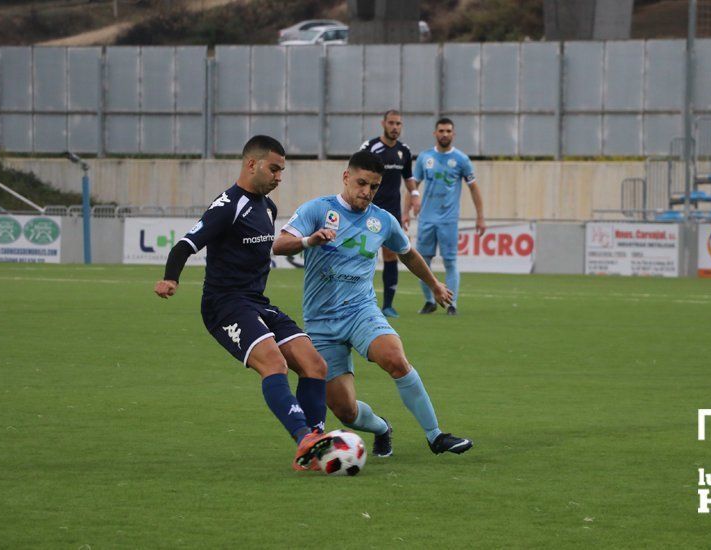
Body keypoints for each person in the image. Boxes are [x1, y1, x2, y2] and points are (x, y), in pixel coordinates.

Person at [273, 150, 473, 458]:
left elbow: (407, 253)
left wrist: (434, 285)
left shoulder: (382, 220)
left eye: (374, 187)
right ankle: (382, 428)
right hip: (321, 322)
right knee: (345, 411)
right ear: (346, 177)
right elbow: (279, 243)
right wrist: (308, 241)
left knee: (395, 357)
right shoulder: (317, 210)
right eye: (361, 183)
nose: (366, 192)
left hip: (361, 312)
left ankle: (436, 436)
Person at [153, 135, 332, 471]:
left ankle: (316, 442)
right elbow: (184, 245)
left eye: (283, 171)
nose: (279, 177)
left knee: (315, 365)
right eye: (274, 169)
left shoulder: (268, 207)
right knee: (274, 364)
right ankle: (304, 439)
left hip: (256, 301)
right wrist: (170, 278)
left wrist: (307, 241)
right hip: (224, 306)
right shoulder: (227, 205)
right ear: (252, 164)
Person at [411, 117, 486, 316]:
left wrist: (480, 217)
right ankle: (429, 301)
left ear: (453, 134)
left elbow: (474, 189)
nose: (445, 134)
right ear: (435, 133)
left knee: (450, 262)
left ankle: (452, 304)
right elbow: (413, 186)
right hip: (426, 219)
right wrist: (408, 207)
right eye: (441, 131)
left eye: (448, 131)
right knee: (422, 262)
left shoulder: (461, 159)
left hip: (449, 220)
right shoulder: (424, 158)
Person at [359, 110, 420, 319]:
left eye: (399, 124)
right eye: (392, 123)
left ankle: (387, 305)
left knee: (391, 255)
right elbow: (356, 171)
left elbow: (408, 177)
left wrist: (414, 194)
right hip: (366, 210)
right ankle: (355, 300)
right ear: (383, 123)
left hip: (390, 212)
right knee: (362, 253)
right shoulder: (370, 147)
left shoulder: (404, 151)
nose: (395, 127)